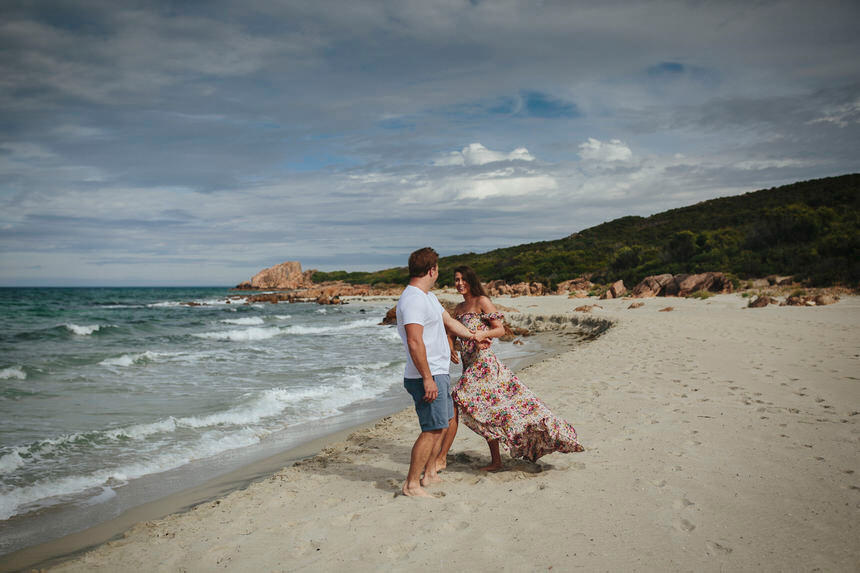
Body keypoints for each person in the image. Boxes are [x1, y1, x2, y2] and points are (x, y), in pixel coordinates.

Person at [446, 265, 584, 471]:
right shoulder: (458, 308)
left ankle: (450, 456)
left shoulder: (481, 301)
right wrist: (450, 348)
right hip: (469, 366)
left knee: (477, 404)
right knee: (485, 412)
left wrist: (482, 335)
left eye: (462, 280)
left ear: (471, 280)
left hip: (484, 365)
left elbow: (500, 329)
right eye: (456, 280)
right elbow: (451, 331)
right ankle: (495, 460)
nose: (459, 284)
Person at [395, 248, 487, 497]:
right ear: (432, 270)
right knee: (432, 429)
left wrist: (474, 335)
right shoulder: (412, 299)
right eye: (437, 268)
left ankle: (430, 475)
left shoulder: (429, 297)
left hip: (439, 372)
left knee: (444, 423)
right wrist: (427, 378)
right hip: (426, 375)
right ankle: (411, 484)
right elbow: (414, 342)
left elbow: (450, 322)